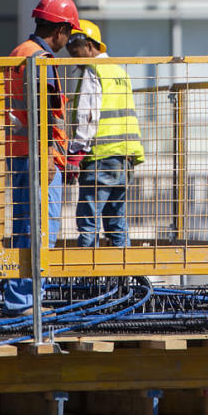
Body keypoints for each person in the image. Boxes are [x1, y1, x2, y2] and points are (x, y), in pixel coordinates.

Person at [2, 0, 78, 309]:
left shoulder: (20, 51)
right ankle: (27, 302)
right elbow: (42, 111)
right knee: (43, 229)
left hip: (19, 152)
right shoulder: (40, 59)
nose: (68, 39)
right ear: (58, 29)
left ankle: (20, 298)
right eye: (68, 32)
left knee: (24, 226)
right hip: (39, 157)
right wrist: (49, 154)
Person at [66, 19, 144, 247]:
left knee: (88, 222)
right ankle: (123, 280)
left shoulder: (93, 71)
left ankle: (87, 281)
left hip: (101, 157)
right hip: (124, 159)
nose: (71, 53)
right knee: (117, 221)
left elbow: (87, 115)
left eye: (74, 47)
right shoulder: (119, 71)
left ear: (89, 45)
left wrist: (75, 153)